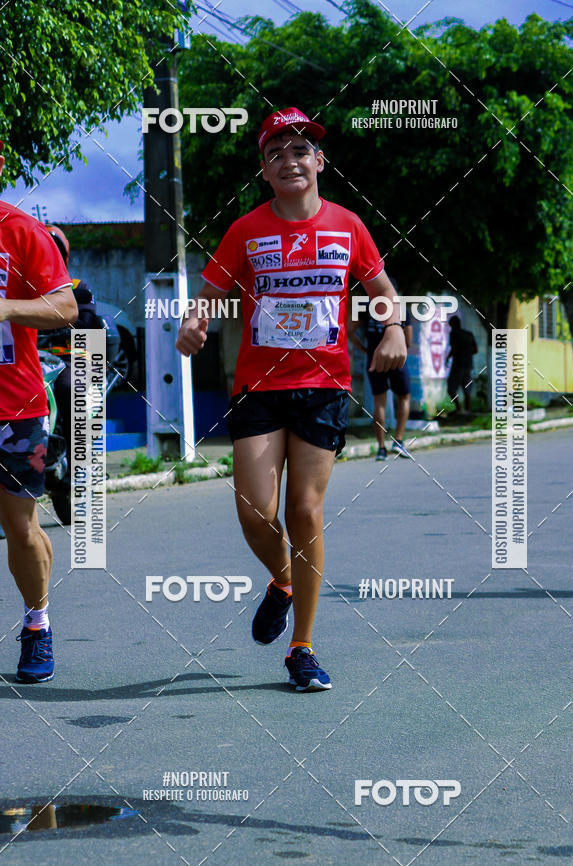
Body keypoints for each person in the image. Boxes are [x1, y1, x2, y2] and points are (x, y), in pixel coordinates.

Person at [176, 107, 406, 691]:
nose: (290, 160)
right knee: (255, 511)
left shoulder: (348, 226)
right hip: (258, 388)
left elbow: (384, 292)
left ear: (319, 161)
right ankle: (282, 581)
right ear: (265, 170)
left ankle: (301, 647)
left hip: (323, 387)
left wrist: (395, 329)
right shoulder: (246, 230)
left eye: (300, 150)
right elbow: (208, 294)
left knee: (304, 511)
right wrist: (193, 323)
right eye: (276, 153)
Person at [0, 143, 78, 682]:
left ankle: (37, 625)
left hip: (16, 405)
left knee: (21, 529)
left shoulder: (21, 230)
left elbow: (65, 307)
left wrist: (4, 307)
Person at [40, 225, 103, 467]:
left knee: (69, 387)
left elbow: (85, 320)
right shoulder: (26, 288)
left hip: (70, 359)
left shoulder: (77, 287)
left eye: (52, 249)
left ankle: (80, 455)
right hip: (34, 359)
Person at [348, 296, 413, 460]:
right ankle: (398, 441)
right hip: (397, 358)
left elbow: (349, 330)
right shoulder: (401, 308)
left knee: (379, 402)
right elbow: (409, 341)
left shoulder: (366, 306)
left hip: (374, 360)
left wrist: (365, 349)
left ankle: (381, 449)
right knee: (404, 397)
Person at [446, 314, 478, 412]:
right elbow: (476, 350)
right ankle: (467, 411)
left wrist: (448, 357)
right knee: (467, 389)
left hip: (458, 365)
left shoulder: (454, 333)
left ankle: (459, 408)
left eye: (451, 325)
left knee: (451, 389)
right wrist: (467, 351)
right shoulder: (469, 334)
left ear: (454, 324)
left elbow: (454, 349)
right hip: (468, 366)